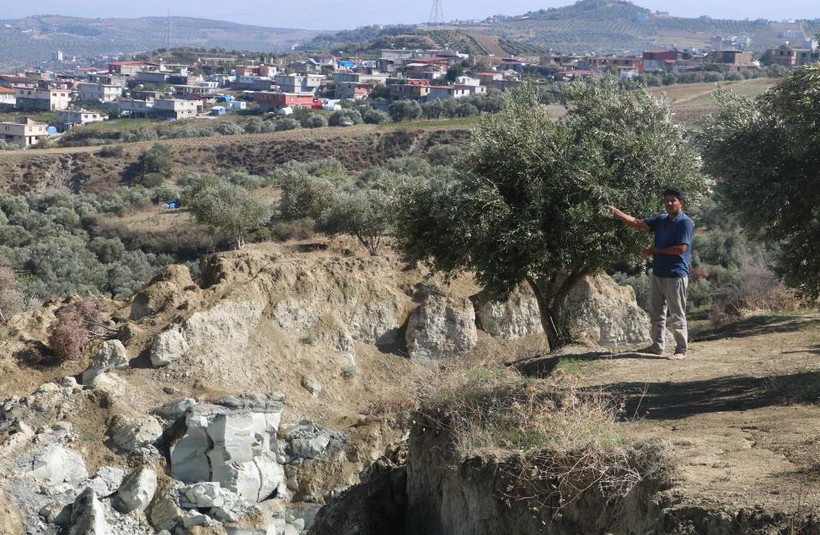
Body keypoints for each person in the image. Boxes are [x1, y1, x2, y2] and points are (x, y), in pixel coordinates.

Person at [606, 187, 694, 360]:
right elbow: (637, 223)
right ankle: (657, 346)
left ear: (680, 203)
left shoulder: (685, 222)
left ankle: (681, 350)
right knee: (656, 312)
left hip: (676, 275)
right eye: (667, 200)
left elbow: (680, 249)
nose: (669, 203)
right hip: (659, 273)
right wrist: (616, 212)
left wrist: (655, 250)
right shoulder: (661, 219)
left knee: (676, 313)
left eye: (673, 200)